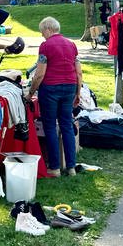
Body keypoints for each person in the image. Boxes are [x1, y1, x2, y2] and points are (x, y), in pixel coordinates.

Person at [27, 17, 82, 177]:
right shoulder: (72, 44)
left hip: (50, 88)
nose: (42, 35)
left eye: (42, 32)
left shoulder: (46, 46)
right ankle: (71, 166)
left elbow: (39, 74)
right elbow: (78, 71)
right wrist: (78, 92)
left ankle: (55, 167)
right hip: (69, 86)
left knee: (50, 126)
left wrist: (30, 93)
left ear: (48, 29)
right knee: (67, 125)